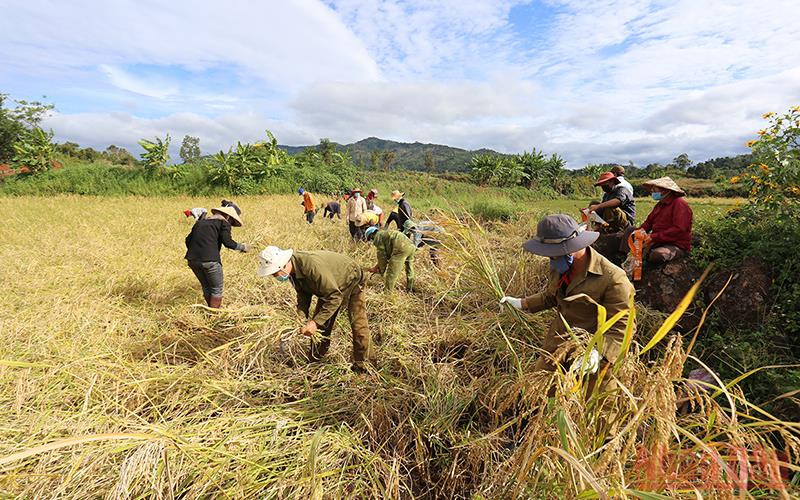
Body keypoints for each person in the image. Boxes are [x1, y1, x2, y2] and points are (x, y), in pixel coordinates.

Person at [499, 214, 635, 373]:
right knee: (539, 391)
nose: (550, 258)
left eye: (554, 253)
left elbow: (622, 328)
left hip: (591, 358)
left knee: (589, 398)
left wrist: (598, 354)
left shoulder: (613, 279)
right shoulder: (559, 265)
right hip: (556, 346)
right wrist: (522, 303)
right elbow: (552, 295)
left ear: (572, 247)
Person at [257, 246, 375, 373]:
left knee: (357, 323)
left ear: (283, 265)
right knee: (321, 326)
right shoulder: (293, 272)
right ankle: (315, 361)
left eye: (275, 273)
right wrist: (300, 317)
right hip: (330, 287)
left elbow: (335, 297)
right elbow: (303, 295)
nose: (275, 277)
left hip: (351, 278)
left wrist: (314, 322)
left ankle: (364, 364)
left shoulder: (311, 267)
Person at [184, 206, 250, 308]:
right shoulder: (223, 223)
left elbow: (188, 240)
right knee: (216, 289)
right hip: (210, 261)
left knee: (206, 287)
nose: (231, 224)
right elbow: (228, 243)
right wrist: (243, 247)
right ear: (227, 216)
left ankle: (210, 311)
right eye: (231, 221)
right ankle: (214, 315)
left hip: (192, 260)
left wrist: (198, 251)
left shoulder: (200, 222)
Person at [624, 177, 693, 264]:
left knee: (658, 254)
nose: (652, 192)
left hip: (675, 244)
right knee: (631, 230)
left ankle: (645, 263)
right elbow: (649, 222)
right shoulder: (660, 205)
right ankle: (625, 257)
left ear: (666, 191)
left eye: (655, 190)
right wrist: (642, 231)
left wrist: (653, 237)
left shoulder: (679, 204)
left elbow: (679, 229)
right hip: (658, 239)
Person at [365, 226, 415, 292]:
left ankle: (387, 293)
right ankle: (410, 288)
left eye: (370, 239)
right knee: (409, 267)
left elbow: (382, 257)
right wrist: (376, 266)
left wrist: (381, 271)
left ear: (371, 235)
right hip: (410, 245)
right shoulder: (384, 234)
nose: (372, 241)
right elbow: (386, 256)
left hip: (400, 247)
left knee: (391, 272)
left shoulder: (377, 237)